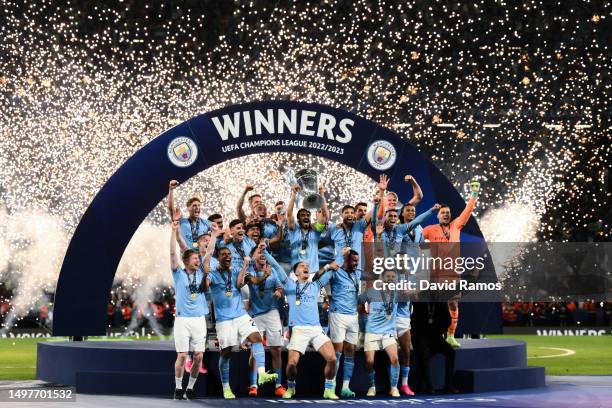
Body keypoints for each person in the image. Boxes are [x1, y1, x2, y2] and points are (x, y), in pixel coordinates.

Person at [202, 244, 277, 399]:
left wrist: (263, 275)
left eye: (229, 254)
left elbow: (250, 282)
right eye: (223, 254)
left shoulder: (237, 270)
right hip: (224, 320)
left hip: (240, 315)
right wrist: (204, 275)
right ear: (218, 258)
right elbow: (204, 288)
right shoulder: (213, 274)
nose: (228, 256)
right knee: (226, 353)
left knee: (256, 337)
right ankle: (226, 387)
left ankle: (262, 374)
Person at [263, 249, 339, 400]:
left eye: (307, 266)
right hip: (298, 330)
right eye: (302, 266)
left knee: (332, 359)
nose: (305, 267)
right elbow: (277, 267)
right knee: (291, 365)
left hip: (316, 329)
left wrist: (340, 258)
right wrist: (264, 251)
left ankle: (329, 389)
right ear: (296, 272)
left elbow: (335, 268)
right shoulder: (290, 285)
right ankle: (291, 387)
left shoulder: (315, 285)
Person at [422, 181, 480, 347]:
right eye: (443, 212)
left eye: (448, 212)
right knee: (433, 307)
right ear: (438, 215)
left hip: (452, 274)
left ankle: (451, 335)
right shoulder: (429, 229)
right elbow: (416, 237)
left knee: (453, 304)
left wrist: (474, 194)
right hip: (434, 275)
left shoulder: (456, 226)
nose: (446, 214)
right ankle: (433, 334)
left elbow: (468, 210)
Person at [169, 221, 208, 400]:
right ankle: (178, 387)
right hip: (183, 320)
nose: (197, 261)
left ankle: (190, 388)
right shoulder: (178, 274)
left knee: (198, 357)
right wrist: (173, 231)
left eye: (197, 259)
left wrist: (213, 235)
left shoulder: (201, 273)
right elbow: (172, 253)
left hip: (199, 319)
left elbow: (209, 252)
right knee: (183, 356)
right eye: (194, 259)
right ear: (186, 261)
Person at [244, 242, 286, 397]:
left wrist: (279, 292)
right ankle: (253, 385)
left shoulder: (273, 270)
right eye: (258, 252)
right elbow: (254, 282)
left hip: (272, 312)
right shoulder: (248, 271)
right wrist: (266, 275)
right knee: (254, 351)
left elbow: (279, 286)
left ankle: (278, 385)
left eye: (264, 252)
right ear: (254, 255)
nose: (262, 254)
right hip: (255, 314)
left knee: (276, 349)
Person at [360, 269, 402, 397]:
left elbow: (412, 302)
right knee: (369, 361)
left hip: (388, 332)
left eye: (393, 276)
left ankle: (394, 388)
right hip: (372, 331)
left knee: (394, 358)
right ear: (382, 278)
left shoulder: (399, 294)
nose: (390, 278)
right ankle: (372, 386)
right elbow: (359, 303)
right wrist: (363, 322)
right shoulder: (371, 292)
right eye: (388, 276)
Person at [327, 249, 361, 397]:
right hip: (337, 315)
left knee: (350, 352)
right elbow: (319, 280)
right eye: (353, 261)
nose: (356, 264)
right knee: (337, 353)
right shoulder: (335, 272)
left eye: (357, 261)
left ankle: (345, 387)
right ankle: (330, 387)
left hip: (353, 317)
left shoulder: (357, 274)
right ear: (346, 260)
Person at [410, 299, 457, 394]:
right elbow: (414, 320)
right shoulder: (420, 301)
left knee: (451, 352)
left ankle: (449, 385)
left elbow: (447, 319)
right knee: (423, 353)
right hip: (420, 335)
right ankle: (428, 386)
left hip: (435, 335)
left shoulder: (440, 301)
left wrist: (440, 332)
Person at [286, 183, 328, 273]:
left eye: (308, 215)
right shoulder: (294, 229)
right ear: (298, 219)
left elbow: (324, 215)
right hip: (296, 274)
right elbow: (289, 214)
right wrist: (294, 193)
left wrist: (321, 195)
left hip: (312, 273)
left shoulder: (316, 231)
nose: (306, 217)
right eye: (302, 215)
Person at [167, 180, 213, 249]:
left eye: (199, 205)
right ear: (188, 208)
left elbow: (218, 232)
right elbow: (171, 209)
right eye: (194, 205)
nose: (197, 207)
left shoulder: (206, 223)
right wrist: (171, 190)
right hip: (187, 257)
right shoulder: (181, 222)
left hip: (202, 257)